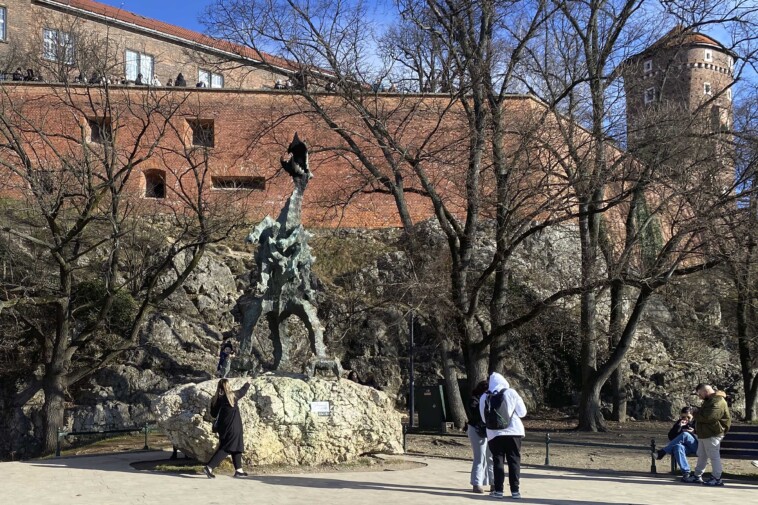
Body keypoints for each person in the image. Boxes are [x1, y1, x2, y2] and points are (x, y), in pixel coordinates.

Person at [479, 372, 527, 499]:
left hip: (494, 434)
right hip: (514, 432)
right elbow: (522, 413)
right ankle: (515, 491)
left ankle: (498, 490)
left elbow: (484, 419)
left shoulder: (485, 396)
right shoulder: (511, 392)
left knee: (497, 461)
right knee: (514, 461)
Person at [682, 383, 731, 486]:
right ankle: (697, 475)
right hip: (705, 432)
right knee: (702, 455)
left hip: (713, 433)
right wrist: (697, 410)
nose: (699, 397)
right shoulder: (709, 400)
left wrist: (694, 413)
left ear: (705, 391)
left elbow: (709, 417)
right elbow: (705, 413)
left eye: (700, 394)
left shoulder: (718, 401)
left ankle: (717, 478)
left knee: (714, 456)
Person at [204, 379, 251, 478]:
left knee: (237, 447)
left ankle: (239, 470)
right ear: (228, 386)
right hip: (233, 427)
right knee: (226, 448)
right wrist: (248, 383)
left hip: (223, 428)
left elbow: (213, 414)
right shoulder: (232, 396)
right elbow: (243, 391)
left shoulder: (216, 399)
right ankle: (209, 467)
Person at [656, 406, 698, 479]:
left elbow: (704, 434)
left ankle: (663, 451)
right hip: (686, 448)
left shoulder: (697, 422)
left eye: (688, 417)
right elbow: (671, 437)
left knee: (685, 435)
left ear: (693, 416)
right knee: (678, 447)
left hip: (697, 446)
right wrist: (678, 427)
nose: (686, 419)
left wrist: (694, 432)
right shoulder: (680, 423)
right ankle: (686, 472)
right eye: (683, 417)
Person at [467, 380, 493, 494]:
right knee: (480, 457)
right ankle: (476, 483)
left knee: (491, 457)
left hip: (489, 430)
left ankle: (493, 482)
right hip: (476, 429)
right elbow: (476, 414)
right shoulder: (474, 400)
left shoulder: (491, 400)